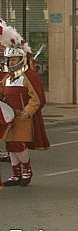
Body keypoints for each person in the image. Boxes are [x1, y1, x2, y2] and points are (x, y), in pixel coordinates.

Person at [0, 22, 49, 187]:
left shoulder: (28, 76)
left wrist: (28, 111)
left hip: (22, 115)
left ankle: (27, 170)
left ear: (21, 59)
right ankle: (15, 174)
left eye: (14, 59)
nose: (11, 62)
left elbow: (37, 98)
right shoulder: (6, 78)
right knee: (10, 144)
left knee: (19, 143)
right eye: (9, 59)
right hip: (8, 116)